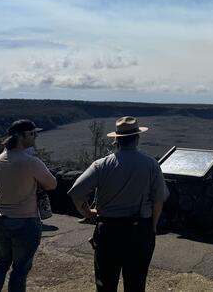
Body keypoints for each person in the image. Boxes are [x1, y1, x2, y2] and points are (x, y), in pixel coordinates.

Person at [67, 116, 168, 292]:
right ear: (137, 138)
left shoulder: (102, 164)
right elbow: (158, 200)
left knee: (105, 283)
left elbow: (76, 193)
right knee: (136, 283)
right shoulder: (151, 164)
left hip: (108, 230)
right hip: (139, 230)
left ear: (116, 140)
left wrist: (88, 213)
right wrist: (152, 228)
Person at [0, 119, 57, 292]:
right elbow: (52, 184)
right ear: (20, 136)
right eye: (32, 133)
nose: (36, 136)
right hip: (25, 221)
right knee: (19, 270)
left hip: (0, 219)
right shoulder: (31, 161)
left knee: (0, 264)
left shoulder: (0, 158)